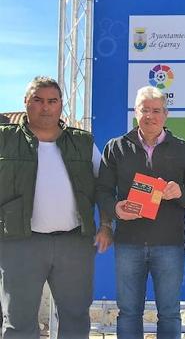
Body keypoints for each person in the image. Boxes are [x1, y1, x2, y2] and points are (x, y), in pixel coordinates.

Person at [0, 76, 112, 339]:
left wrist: (106, 225)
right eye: (38, 100)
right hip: (19, 244)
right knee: (19, 321)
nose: (45, 107)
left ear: (61, 105)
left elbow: (104, 187)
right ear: (26, 102)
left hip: (74, 243)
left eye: (52, 101)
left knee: (75, 319)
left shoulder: (83, 143)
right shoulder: (4, 140)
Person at [96, 86, 185, 339]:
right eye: (145, 110)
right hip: (128, 244)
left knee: (169, 313)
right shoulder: (116, 148)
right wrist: (115, 209)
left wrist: (180, 193)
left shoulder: (184, 150)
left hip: (169, 244)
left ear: (165, 115)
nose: (151, 116)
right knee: (128, 313)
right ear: (136, 112)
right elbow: (101, 190)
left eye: (157, 110)